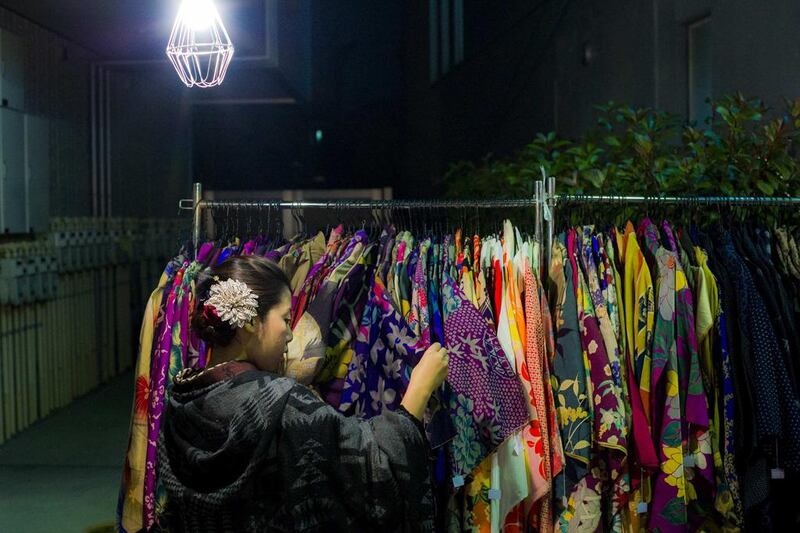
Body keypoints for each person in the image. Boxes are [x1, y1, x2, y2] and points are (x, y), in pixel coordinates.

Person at [157, 255, 449, 532]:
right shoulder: (282, 404)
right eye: (285, 319)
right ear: (249, 322)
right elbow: (374, 477)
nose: (290, 334)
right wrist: (418, 390)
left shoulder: (181, 399)